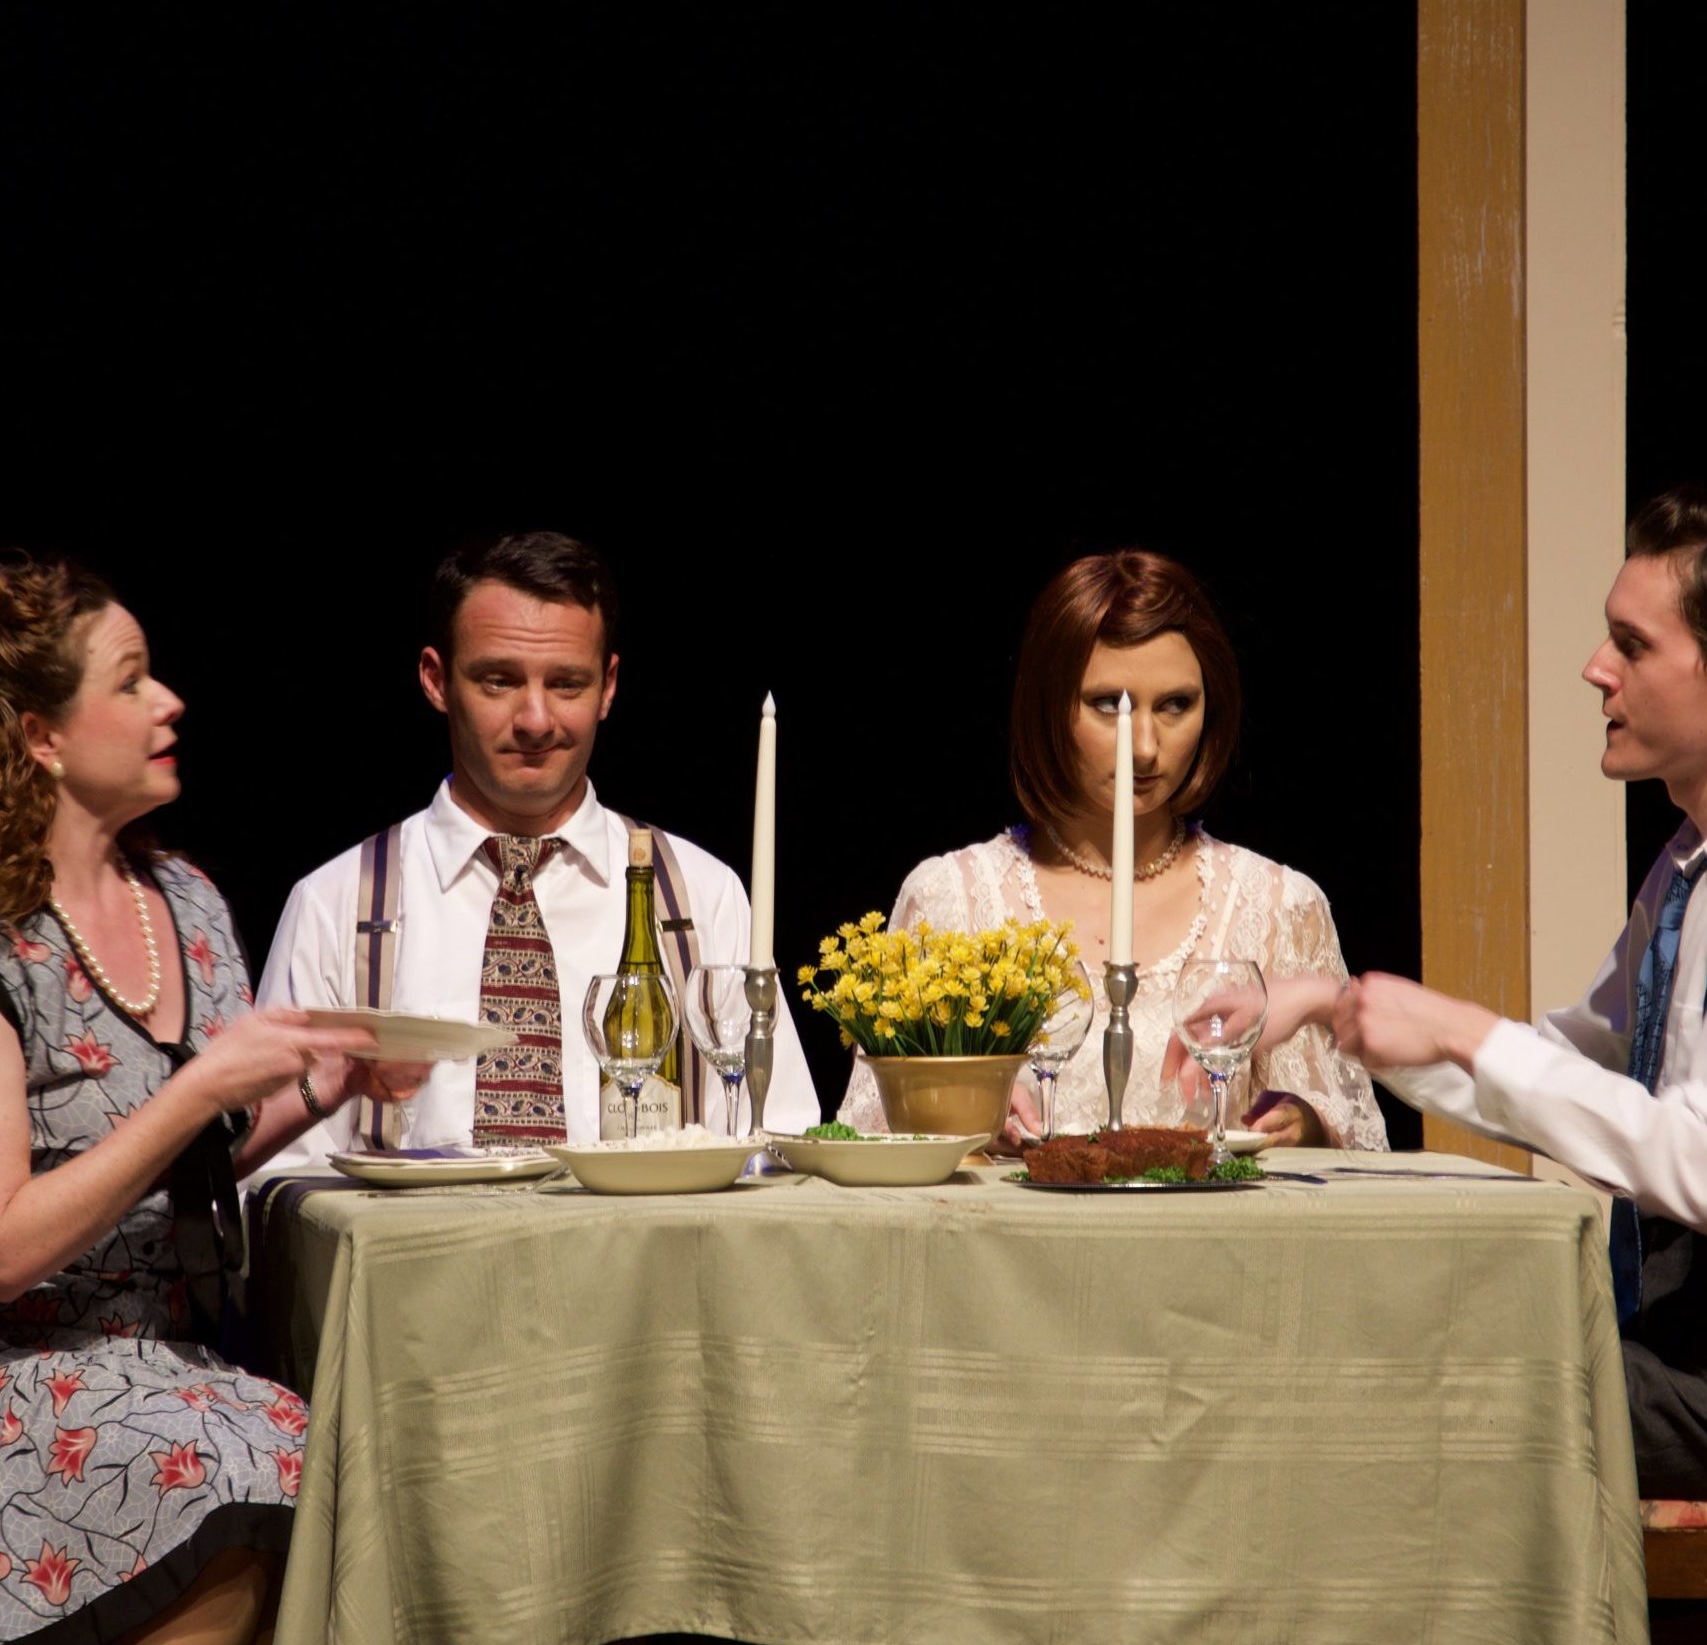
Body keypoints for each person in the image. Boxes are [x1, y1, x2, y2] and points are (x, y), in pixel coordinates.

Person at [1240, 484, 1707, 1501]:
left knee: (1425, 1380)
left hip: (1696, 1373)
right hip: (1672, 1347)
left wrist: (1461, 1029)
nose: (1596, 667)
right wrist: (1346, 1009)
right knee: (1391, 1328)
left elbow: (1695, 1159)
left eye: (1633, 645)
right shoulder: (1681, 871)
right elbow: (1573, 1062)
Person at [0, 555, 397, 1645]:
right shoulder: (9, 941)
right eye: (131, 682)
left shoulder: (187, 904)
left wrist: (327, 1088)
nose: (169, 702)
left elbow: (192, 1169)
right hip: (33, 1378)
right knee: (238, 1464)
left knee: (331, 1457)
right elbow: (8, 1246)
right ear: (43, 738)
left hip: (175, 1363)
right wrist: (192, 1094)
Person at [255, 531, 817, 1161]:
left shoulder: (699, 897)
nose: (536, 721)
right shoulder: (338, 905)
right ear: (436, 681)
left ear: (608, 687)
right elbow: (278, 1179)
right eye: (498, 681)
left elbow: (778, 1144)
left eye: (567, 684)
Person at [837, 548, 1385, 1160]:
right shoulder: (952, 899)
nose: (1145, 747)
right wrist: (962, 1113)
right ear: (1048, 705)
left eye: (1176, 705)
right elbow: (869, 1141)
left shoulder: (1278, 904)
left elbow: (1355, 1145)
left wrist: (1304, 1123)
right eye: (1108, 705)